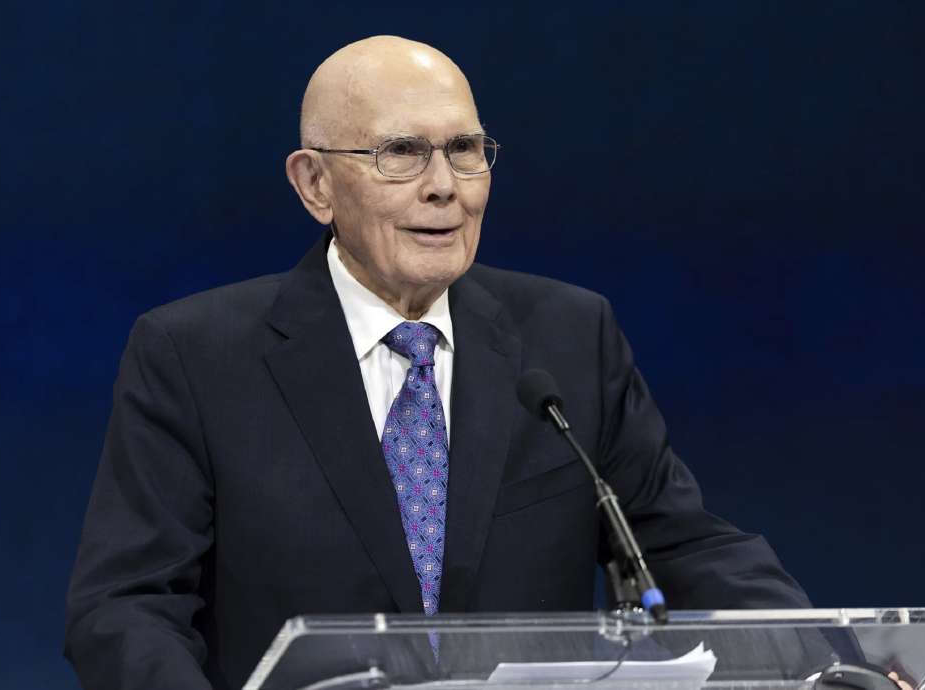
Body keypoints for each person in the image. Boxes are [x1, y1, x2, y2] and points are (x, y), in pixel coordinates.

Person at [64, 36, 810, 690]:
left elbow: (682, 543)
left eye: (464, 150)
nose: (445, 185)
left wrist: (831, 658)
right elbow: (126, 606)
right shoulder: (196, 356)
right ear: (315, 184)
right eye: (401, 153)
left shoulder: (569, 337)